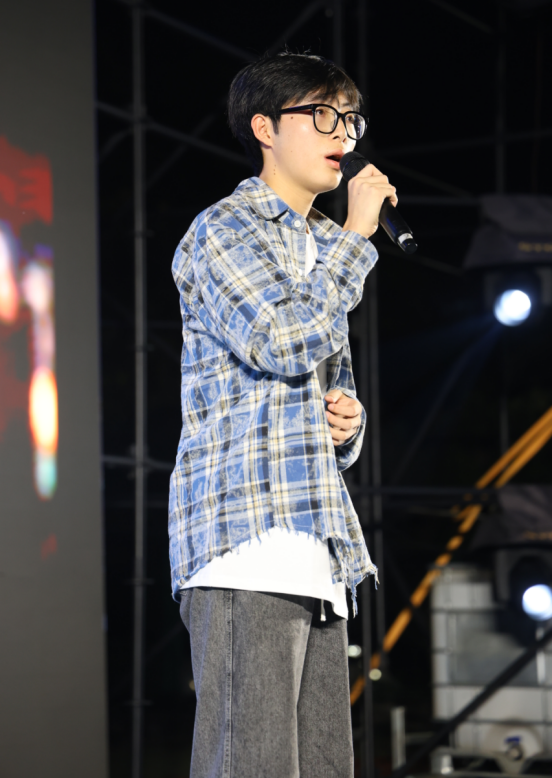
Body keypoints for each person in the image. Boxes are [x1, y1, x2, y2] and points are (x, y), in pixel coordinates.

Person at [169, 51, 397, 778]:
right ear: (265, 127)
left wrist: (346, 423)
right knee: (252, 763)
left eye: (351, 119)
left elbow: (323, 383)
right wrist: (357, 237)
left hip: (317, 547)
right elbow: (280, 340)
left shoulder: (327, 246)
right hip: (246, 539)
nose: (344, 134)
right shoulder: (224, 229)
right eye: (324, 115)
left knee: (325, 766)